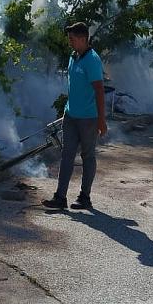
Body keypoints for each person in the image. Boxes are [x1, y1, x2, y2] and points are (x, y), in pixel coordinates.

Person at [43, 22, 108, 211]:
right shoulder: (73, 57)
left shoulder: (92, 60)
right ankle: (60, 198)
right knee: (66, 155)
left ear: (82, 38)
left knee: (87, 156)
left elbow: (99, 90)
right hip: (71, 115)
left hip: (89, 118)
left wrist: (101, 120)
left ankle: (84, 197)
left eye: (72, 38)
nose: (69, 42)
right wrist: (66, 111)